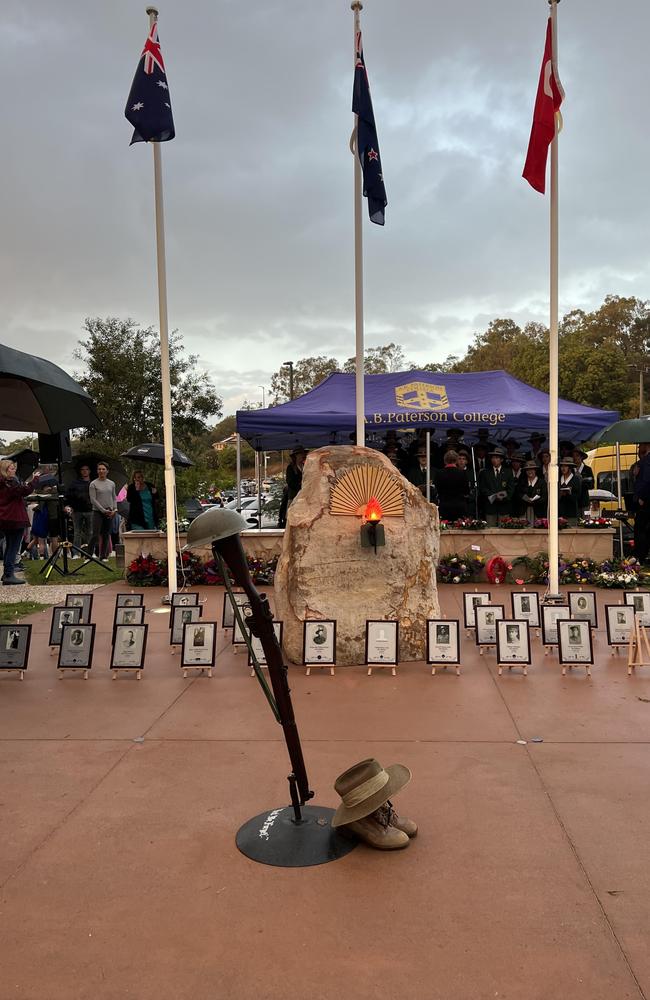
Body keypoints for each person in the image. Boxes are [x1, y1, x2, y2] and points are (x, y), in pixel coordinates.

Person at [0, 459, 40, 585]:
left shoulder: (3, 483)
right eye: (11, 468)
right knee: (13, 547)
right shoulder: (9, 482)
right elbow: (24, 491)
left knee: (9, 547)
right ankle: (9, 574)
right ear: (5, 470)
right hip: (14, 517)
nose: (14, 470)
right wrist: (34, 480)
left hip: (5, 517)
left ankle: (7, 573)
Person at [478, 447, 514, 525]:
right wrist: (493, 496)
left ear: (502, 460)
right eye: (493, 458)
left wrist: (502, 497)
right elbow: (483, 488)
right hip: (490, 507)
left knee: (504, 531)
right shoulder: (485, 472)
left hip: (504, 507)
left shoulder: (508, 472)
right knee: (490, 531)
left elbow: (511, 489)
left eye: (497, 458)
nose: (494, 460)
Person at [89, 462, 117, 559]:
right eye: (99, 469)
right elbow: (93, 499)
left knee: (106, 534)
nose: (101, 471)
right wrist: (102, 510)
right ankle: (88, 555)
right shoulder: (93, 484)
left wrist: (114, 509)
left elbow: (114, 497)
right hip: (98, 512)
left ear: (107, 471)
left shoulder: (111, 483)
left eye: (103, 469)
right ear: (97, 471)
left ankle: (103, 556)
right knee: (95, 534)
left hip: (109, 511)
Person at [65, 463, 94, 552]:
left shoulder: (93, 483)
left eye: (86, 469)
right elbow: (69, 496)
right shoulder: (75, 483)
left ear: (89, 471)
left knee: (90, 532)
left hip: (90, 509)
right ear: (80, 471)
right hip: (77, 510)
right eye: (82, 469)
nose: (84, 471)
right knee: (77, 532)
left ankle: (91, 552)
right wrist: (70, 506)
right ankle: (76, 553)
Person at [434, 450, 469, 521]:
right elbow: (466, 491)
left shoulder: (439, 473)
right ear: (456, 461)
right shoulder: (462, 473)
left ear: (445, 461)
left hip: (444, 507)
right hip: (459, 508)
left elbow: (437, 489)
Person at [633, 445, 650, 564]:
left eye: (640, 446)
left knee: (641, 530)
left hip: (646, 502)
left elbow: (646, 480)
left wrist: (641, 497)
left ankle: (640, 558)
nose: (639, 448)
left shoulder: (644, 462)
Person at [558, 458, 581, 523]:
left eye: (565, 466)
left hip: (572, 512)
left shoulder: (576, 479)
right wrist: (560, 494)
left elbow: (578, 496)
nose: (563, 468)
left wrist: (569, 493)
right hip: (559, 512)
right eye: (562, 466)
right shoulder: (558, 479)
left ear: (570, 467)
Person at [572, 447, 595, 512]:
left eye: (577, 456)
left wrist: (582, 481)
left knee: (586, 520)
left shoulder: (587, 469)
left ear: (581, 457)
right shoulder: (571, 470)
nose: (575, 458)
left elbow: (592, 485)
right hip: (574, 502)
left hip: (585, 501)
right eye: (573, 456)